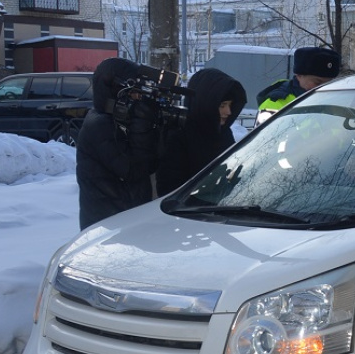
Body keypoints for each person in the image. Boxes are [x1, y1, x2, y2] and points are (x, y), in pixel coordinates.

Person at [76, 58, 160, 229]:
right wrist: (141, 125)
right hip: (107, 227)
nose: (137, 98)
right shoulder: (99, 126)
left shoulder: (118, 122)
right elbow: (133, 170)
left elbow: (150, 164)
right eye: (131, 93)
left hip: (123, 220)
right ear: (114, 92)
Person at [156, 68, 248, 195]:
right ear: (206, 103)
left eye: (230, 105)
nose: (229, 112)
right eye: (222, 105)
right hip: (190, 212)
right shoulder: (178, 135)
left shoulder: (224, 133)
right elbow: (169, 190)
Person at [255, 46, 340, 124]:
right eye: (317, 82)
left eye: (329, 83)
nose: (324, 87)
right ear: (299, 75)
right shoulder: (275, 105)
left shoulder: (340, 101)